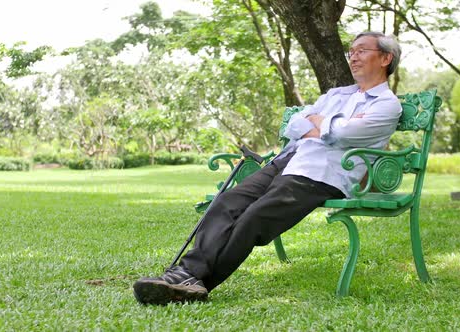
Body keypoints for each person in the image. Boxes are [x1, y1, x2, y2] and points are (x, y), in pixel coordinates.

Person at [133, 31, 403, 305]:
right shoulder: (336, 95)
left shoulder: (387, 105)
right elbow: (295, 125)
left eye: (361, 51)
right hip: (287, 161)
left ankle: (191, 282)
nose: (353, 57)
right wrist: (327, 124)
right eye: (351, 51)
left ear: (385, 58)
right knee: (226, 202)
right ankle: (187, 276)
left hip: (323, 173)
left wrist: (319, 123)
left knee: (255, 217)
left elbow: (343, 136)